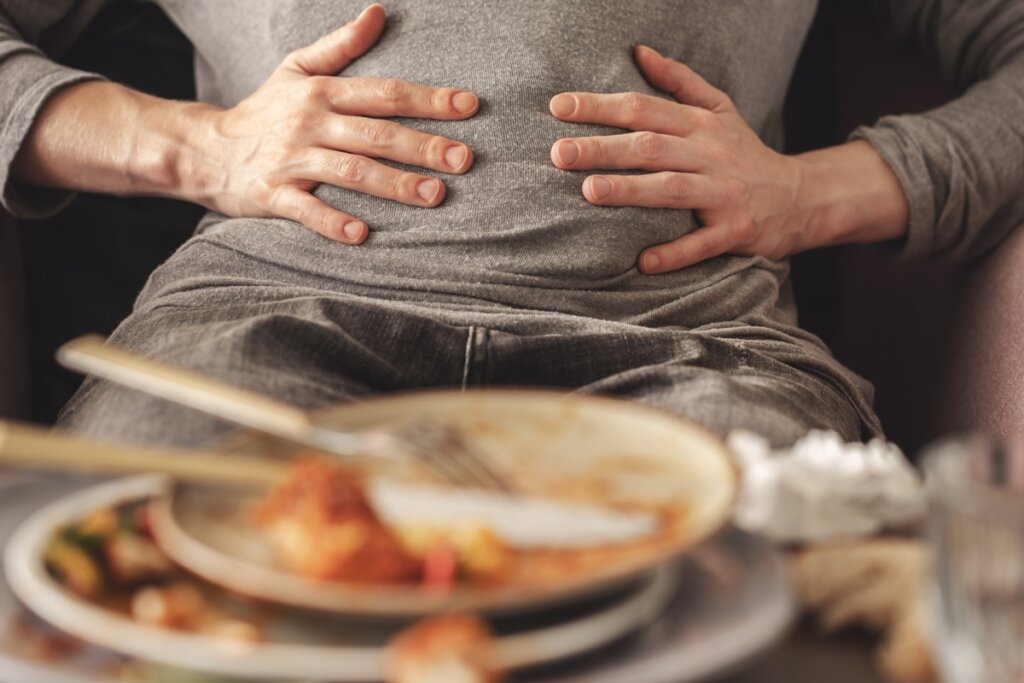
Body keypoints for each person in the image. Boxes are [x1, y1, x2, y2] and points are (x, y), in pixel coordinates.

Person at [1, 1, 1021, 448]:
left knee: (753, 599)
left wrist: (816, 190)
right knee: (149, 577)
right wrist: (197, 147)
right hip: (254, 323)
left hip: (695, 348)